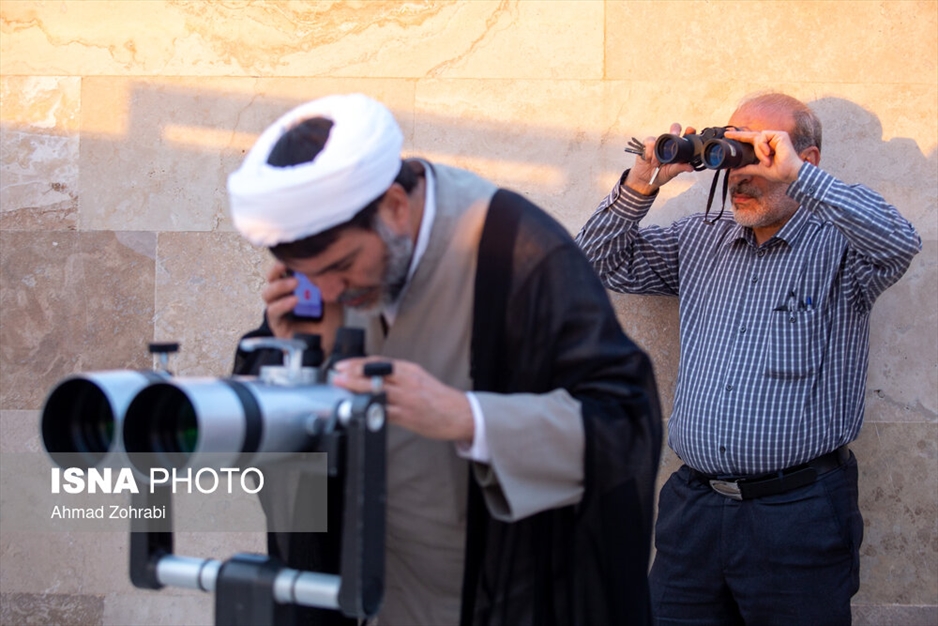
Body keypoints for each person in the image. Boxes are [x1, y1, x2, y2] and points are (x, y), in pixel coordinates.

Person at [227, 93, 663, 626]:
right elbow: (273, 454)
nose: (329, 290)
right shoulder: (323, 284)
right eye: (310, 275)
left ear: (393, 207)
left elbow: (622, 421)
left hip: (494, 599)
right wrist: (294, 353)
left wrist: (466, 417)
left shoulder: (516, 252)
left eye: (342, 266)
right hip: (355, 598)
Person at [575, 92, 922, 625]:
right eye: (730, 151)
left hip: (798, 516)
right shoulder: (700, 240)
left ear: (803, 161)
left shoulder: (843, 250)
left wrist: (800, 181)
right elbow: (597, 264)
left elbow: (899, 241)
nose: (739, 172)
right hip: (693, 513)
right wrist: (644, 178)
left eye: (755, 154)